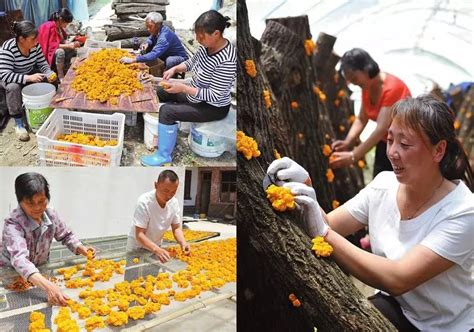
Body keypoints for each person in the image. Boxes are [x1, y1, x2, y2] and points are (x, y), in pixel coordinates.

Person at [266, 95, 473, 331]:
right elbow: (329, 223)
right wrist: (305, 187)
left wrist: (324, 233)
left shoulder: (464, 210)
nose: (393, 153)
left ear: (439, 150)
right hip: (397, 307)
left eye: (405, 145)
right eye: (389, 140)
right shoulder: (383, 185)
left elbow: (399, 279)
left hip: (445, 325)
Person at [141, 10, 236, 166]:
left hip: (212, 106)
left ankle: (163, 155)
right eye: (197, 35)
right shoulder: (206, 47)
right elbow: (192, 62)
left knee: (167, 112)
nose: (198, 40)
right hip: (196, 95)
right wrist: (175, 69)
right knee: (162, 90)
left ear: (216, 34)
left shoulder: (227, 60)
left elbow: (215, 95)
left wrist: (183, 88)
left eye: (201, 36)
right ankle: (167, 124)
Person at [0, 172, 96, 306]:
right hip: (15, 275)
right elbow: (20, 260)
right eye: (30, 203)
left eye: (41, 201)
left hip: (41, 272)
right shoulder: (13, 224)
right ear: (20, 202)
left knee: (44, 308)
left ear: (47, 198)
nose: (37, 207)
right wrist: (49, 286)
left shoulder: (50, 214)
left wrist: (81, 248)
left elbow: (66, 235)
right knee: (21, 310)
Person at [330, 48, 411, 177]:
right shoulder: (367, 87)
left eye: (354, 78)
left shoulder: (393, 88)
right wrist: (348, 142)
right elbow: (362, 118)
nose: (353, 83)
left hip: (405, 146)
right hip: (386, 143)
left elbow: (381, 128)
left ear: (366, 70)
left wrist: (353, 156)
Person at [0, 20, 57, 142]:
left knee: (50, 80)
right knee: (13, 88)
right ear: (21, 39)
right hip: (11, 77)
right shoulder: (8, 49)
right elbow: (4, 74)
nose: (36, 42)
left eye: (36, 39)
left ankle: (50, 109)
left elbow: (42, 63)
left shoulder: (35, 46)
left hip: (28, 72)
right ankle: (19, 123)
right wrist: (28, 78)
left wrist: (49, 73)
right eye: (32, 39)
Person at [126, 170, 190, 263]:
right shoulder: (144, 202)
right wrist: (157, 250)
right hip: (137, 247)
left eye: (173, 192)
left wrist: (183, 242)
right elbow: (139, 234)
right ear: (156, 185)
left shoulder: (174, 203)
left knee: (153, 275)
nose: (169, 195)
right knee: (134, 276)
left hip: (156, 246)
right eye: (166, 191)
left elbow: (176, 228)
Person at [119, 12, 188, 70]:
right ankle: (152, 66)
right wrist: (147, 43)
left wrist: (133, 60)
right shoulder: (158, 30)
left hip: (179, 57)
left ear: (158, 25)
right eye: (147, 26)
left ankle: (167, 76)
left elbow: (154, 53)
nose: (148, 29)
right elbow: (151, 38)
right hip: (165, 53)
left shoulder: (164, 37)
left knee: (170, 60)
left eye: (150, 26)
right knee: (148, 48)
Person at [38, 8, 80, 80]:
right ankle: (60, 75)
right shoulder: (49, 26)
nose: (67, 25)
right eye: (66, 23)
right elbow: (51, 46)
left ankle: (65, 68)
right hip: (46, 53)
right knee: (60, 52)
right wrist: (68, 45)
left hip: (53, 50)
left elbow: (61, 41)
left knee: (72, 50)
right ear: (60, 19)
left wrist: (72, 44)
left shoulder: (59, 27)